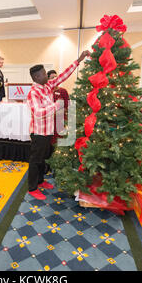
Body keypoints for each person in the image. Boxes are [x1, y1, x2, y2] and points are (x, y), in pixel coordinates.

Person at [27, 50, 91, 200]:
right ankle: (32, 187)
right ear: (37, 77)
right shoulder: (33, 93)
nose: (47, 76)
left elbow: (63, 75)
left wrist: (78, 60)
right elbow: (37, 112)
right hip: (39, 133)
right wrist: (56, 106)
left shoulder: (47, 86)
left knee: (44, 158)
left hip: (48, 131)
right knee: (36, 160)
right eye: (43, 74)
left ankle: (41, 181)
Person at [48, 70, 70, 145]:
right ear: (48, 80)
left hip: (60, 121)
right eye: (52, 78)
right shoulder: (46, 92)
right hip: (49, 122)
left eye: (56, 77)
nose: (55, 79)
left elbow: (67, 106)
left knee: (60, 142)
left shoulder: (63, 91)